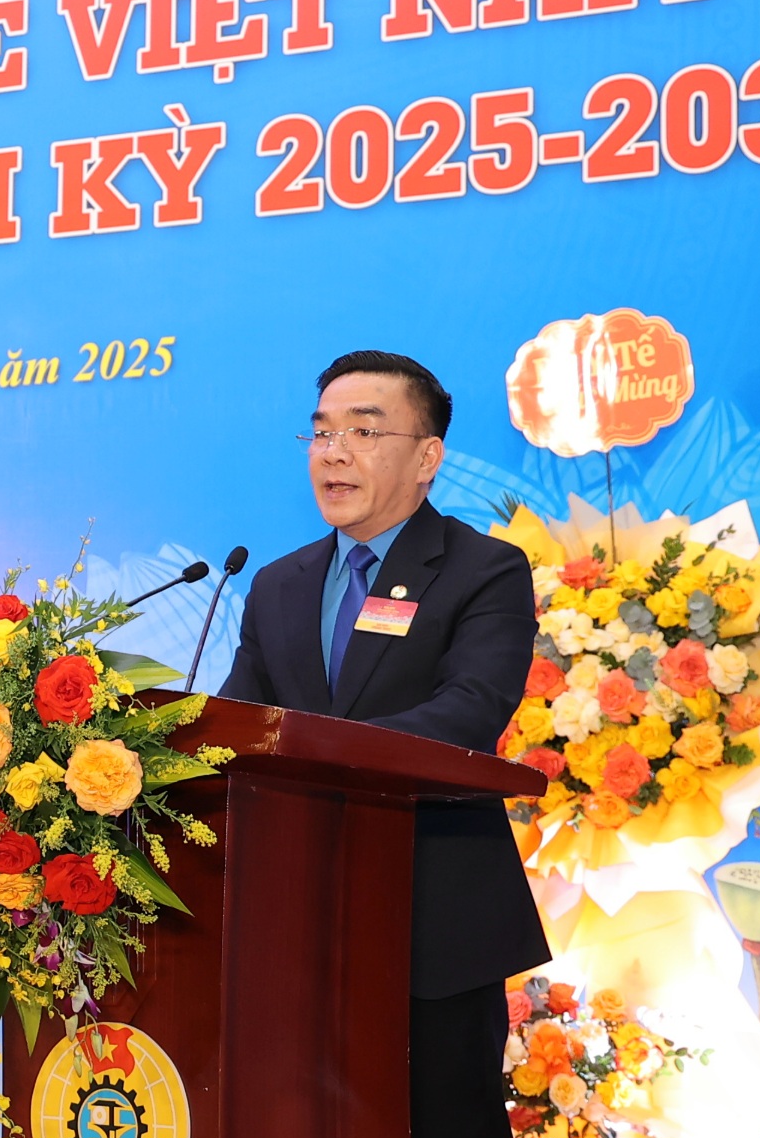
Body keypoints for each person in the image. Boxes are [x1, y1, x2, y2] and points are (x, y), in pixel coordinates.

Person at [221, 350, 550, 1138]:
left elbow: (469, 711)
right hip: (290, 922)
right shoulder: (278, 584)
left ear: (427, 457)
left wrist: (310, 750)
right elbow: (238, 723)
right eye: (322, 433)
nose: (334, 453)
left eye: (364, 433)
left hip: (432, 921)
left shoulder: (484, 570)